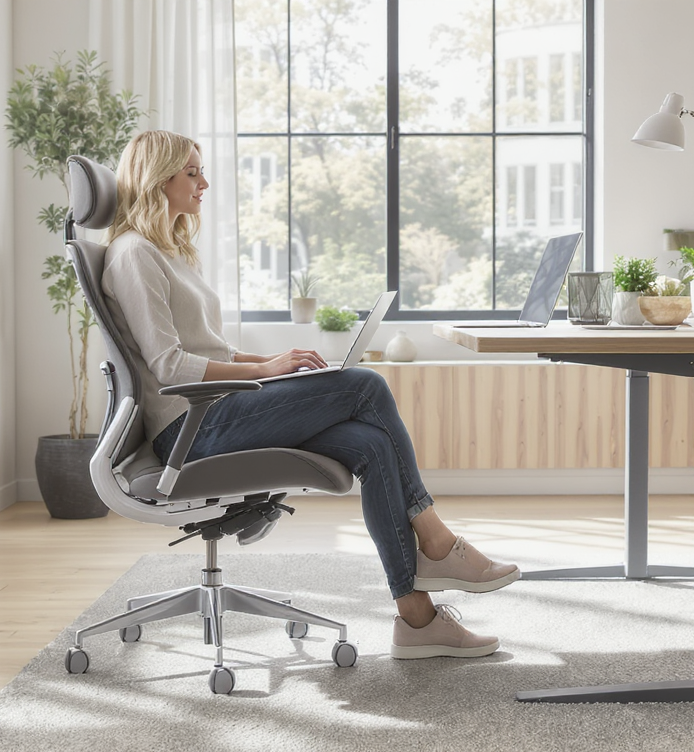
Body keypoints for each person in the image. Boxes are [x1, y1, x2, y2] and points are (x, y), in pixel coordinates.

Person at [101, 130, 519, 659]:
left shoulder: (169, 251)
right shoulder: (133, 254)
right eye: (192, 173)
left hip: (217, 410)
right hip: (191, 428)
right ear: (157, 177)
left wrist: (272, 365)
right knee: (366, 383)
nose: (204, 183)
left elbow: (209, 346)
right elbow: (168, 365)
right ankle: (435, 540)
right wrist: (269, 368)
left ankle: (417, 620)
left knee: (369, 443)